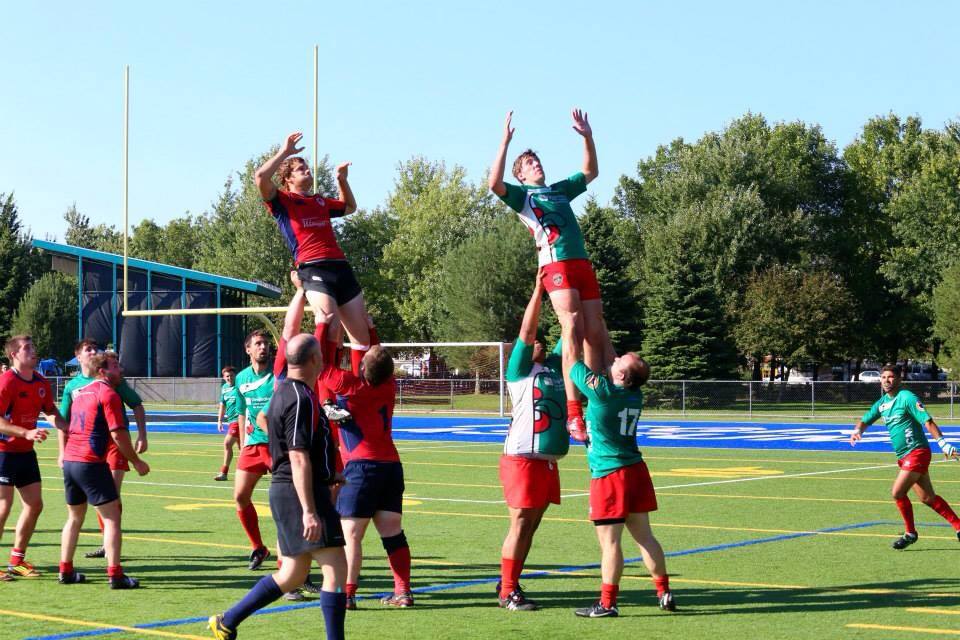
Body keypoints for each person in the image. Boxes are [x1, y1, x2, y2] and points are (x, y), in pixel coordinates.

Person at [209, 334, 346, 640]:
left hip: (288, 489)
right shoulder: (298, 397)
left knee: (293, 573)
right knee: (336, 568)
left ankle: (227, 621)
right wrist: (310, 510)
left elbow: (267, 423)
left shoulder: (283, 389)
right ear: (313, 360)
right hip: (301, 493)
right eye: (320, 356)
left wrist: (326, 470)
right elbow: (297, 456)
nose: (323, 361)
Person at [488, 109, 603, 442]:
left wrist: (587, 136)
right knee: (572, 326)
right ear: (521, 175)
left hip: (582, 263)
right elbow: (493, 184)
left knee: (592, 333)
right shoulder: (524, 198)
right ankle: (573, 414)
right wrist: (505, 142)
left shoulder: (558, 190)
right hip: (557, 266)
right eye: (528, 163)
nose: (535, 164)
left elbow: (591, 171)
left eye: (536, 160)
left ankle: (594, 406)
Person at [561, 323, 675, 618]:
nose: (615, 358)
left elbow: (571, 360)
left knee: (610, 544)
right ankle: (663, 592)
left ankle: (607, 603)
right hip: (635, 470)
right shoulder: (632, 393)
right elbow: (609, 355)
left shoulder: (603, 392)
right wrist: (598, 323)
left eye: (620, 360)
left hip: (611, 474)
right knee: (645, 537)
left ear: (622, 375)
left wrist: (570, 327)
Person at [255, 132, 374, 399]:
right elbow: (261, 178)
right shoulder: (282, 202)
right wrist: (284, 152)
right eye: (300, 169)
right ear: (288, 179)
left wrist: (342, 181)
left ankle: (361, 395)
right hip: (313, 268)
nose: (307, 171)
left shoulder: (319, 201)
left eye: (307, 168)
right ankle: (325, 397)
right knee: (328, 322)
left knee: (362, 337)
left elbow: (350, 207)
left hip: (340, 267)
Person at [316, 316, 412, 610]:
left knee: (352, 534)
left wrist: (324, 327)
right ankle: (403, 592)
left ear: (361, 368)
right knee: (392, 532)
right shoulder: (388, 385)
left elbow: (320, 365)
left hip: (361, 466)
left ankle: (347, 594)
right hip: (390, 465)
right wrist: (368, 328)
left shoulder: (350, 384)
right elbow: (374, 351)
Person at [497, 273, 569, 611]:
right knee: (521, 523)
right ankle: (508, 591)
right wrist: (539, 290)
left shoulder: (553, 368)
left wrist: (570, 297)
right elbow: (526, 331)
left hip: (547, 462)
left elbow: (570, 334)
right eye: (536, 341)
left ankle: (509, 581)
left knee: (532, 526)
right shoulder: (521, 369)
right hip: (522, 459)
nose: (539, 342)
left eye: (542, 341)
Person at [57, 351, 150, 588]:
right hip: (90, 463)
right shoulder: (107, 393)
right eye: (115, 367)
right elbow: (118, 434)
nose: (120, 371)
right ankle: (116, 575)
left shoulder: (81, 393)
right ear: (102, 371)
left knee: (74, 518)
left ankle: (66, 570)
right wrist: (137, 461)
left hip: (70, 462)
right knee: (112, 518)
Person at [850, 364, 960, 548]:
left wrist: (943, 443)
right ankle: (958, 526)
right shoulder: (883, 403)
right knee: (927, 498)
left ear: (899, 379)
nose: (887, 380)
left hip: (917, 452)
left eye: (891, 377)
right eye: (884, 377)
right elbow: (865, 419)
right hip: (905, 457)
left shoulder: (907, 397)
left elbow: (927, 421)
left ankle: (910, 533)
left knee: (897, 492)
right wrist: (857, 431)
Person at [0, 335, 67, 580]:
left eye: (34, 346)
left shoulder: (40, 382)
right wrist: (25, 432)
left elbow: (50, 411)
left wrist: (67, 426)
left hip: (25, 453)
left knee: (34, 505)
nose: (33, 351)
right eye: (27, 348)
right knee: (2, 507)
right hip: (3, 452)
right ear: (13, 355)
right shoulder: (6, 382)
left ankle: (17, 560)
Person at [233, 328, 279, 571]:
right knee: (240, 497)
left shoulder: (279, 375)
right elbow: (241, 413)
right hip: (252, 445)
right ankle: (258, 548)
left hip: (276, 445)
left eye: (266, 343)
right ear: (248, 349)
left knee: (287, 502)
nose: (263, 347)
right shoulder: (241, 379)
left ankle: (291, 560)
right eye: (258, 344)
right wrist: (242, 444)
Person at [215, 366, 242, 482]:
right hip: (231, 421)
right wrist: (220, 420)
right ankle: (253, 469)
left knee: (227, 443)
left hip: (240, 420)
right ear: (224, 377)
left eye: (231, 376)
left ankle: (224, 472)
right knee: (244, 449)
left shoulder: (240, 386)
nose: (229, 378)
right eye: (227, 376)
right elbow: (222, 405)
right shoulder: (224, 388)